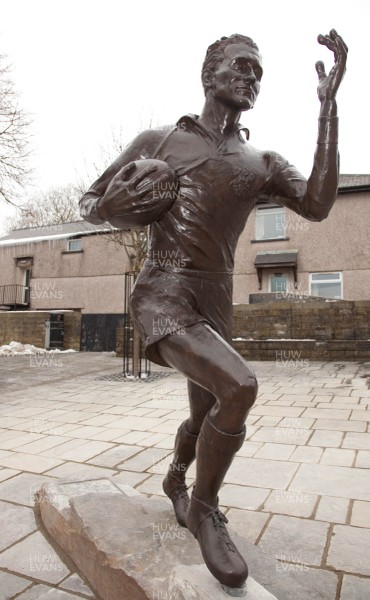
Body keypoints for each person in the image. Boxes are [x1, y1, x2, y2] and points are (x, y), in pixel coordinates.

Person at [80, 30, 347, 594]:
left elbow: (320, 205)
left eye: (258, 72)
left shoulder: (261, 160)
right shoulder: (159, 142)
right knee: (240, 387)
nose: (251, 77)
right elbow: (92, 201)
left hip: (216, 298)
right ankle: (205, 508)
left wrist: (327, 112)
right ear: (210, 76)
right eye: (241, 66)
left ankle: (177, 479)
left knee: (206, 418)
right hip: (163, 291)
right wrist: (114, 206)